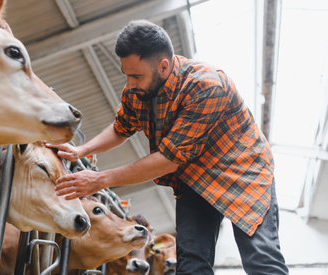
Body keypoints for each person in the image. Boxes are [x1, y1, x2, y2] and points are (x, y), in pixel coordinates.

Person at [47, 20, 289, 275]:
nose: (129, 84)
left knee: (260, 259)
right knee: (191, 264)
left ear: (163, 66)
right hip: (194, 178)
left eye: (136, 76)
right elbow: (121, 128)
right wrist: (81, 150)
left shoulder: (206, 86)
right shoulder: (137, 89)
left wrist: (100, 179)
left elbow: (167, 160)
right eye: (126, 75)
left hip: (241, 173)